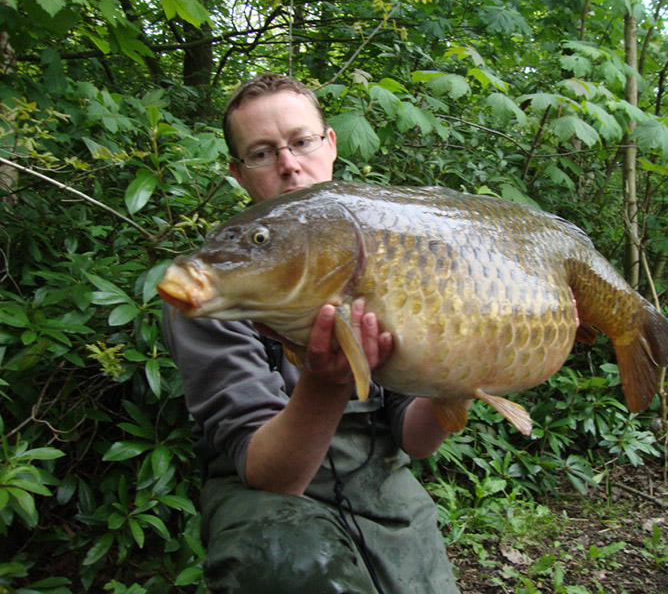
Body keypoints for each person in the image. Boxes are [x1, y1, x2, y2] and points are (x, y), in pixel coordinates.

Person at [162, 72, 464, 594]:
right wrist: (328, 380)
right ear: (238, 173)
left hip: (385, 493)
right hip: (266, 501)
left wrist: (464, 371)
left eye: (301, 141)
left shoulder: (391, 256)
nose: (288, 163)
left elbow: (414, 439)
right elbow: (273, 477)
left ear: (330, 145)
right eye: (262, 153)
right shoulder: (216, 282)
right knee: (285, 557)